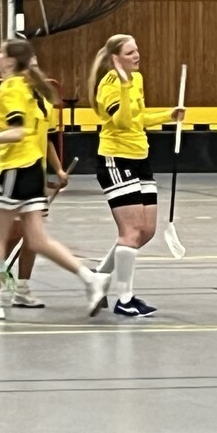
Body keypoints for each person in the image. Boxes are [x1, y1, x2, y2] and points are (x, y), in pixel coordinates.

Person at [0, 38, 107, 321]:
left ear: (11, 60)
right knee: (37, 240)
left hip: (16, 168)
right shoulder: (26, 88)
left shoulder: (14, 87)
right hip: (33, 171)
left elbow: (17, 132)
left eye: (1, 52)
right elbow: (4, 115)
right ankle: (91, 279)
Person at [86, 34, 183, 317]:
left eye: (137, 50)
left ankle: (98, 276)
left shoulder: (136, 79)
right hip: (116, 160)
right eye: (130, 52)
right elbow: (122, 121)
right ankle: (125, 299)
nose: (137, 55)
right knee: (130, 231)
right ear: (115, 58)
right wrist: (125, 85)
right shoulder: (110, 85)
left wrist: (168, 115)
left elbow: (137, 119)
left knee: (146, 231)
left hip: (140, 158)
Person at [0, 57, 70, 309]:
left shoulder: (42, 98)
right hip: (14, 169)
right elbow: (1, 116)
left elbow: (46, 138)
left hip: (35, 174)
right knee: (12, 234)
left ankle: (23, 288)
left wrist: (58, 169)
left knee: (31, 237)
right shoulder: (13, 90)